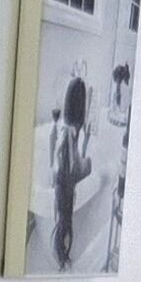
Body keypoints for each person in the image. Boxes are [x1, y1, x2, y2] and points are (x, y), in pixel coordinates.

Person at [48, 73, 93, 269]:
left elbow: (62, 159)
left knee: (63, 221)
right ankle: (62, 255)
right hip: (65, 182)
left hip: (60, 179)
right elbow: (77, 170)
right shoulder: (71, 133)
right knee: (65, 221)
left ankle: (61, 252)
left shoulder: (64, 129)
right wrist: (87, 157)